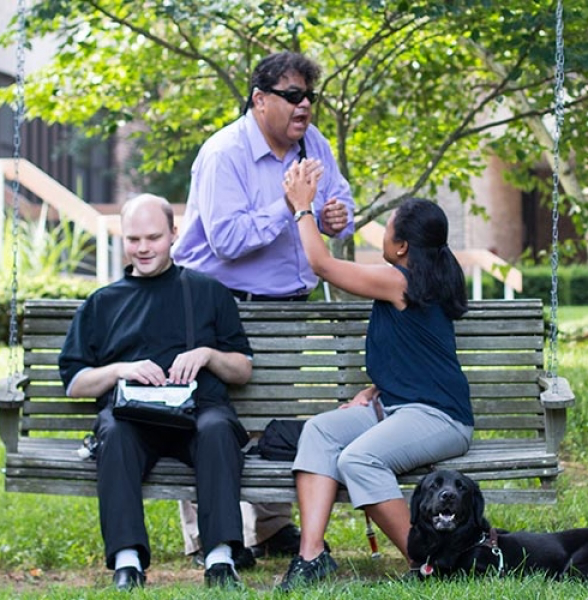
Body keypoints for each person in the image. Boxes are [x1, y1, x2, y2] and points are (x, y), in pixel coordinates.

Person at [171, 51, 355, 560]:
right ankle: (208, 533)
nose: (304, 107)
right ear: (259, 100)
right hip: (218, 302)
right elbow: (227, 240)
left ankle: (271, 528)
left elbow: (339, 200)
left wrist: (338, 217)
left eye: (310, 97)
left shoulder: (312, 145)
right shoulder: (223, 153)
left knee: (272, 416)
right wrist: (293, 205)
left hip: (288, 304)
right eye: (292, 96)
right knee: (210, 414)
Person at [278, 160, 474, 590]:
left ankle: (428, 564)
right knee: (320, 432)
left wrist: (302, 207)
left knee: (358, 459)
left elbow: (323, 266)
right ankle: (311, 556)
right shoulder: (424, 277)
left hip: (441, 418)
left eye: (387, 228)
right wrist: (374, 389)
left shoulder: (399, 281)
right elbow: (418, 355)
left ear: (402, 246)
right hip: (401, 407)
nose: (382, 234)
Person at [58, 194, 253, 590]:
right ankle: (127, 563)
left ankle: (219, 559)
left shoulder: (208, 292)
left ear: (173, 235)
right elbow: (76, 383)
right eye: (133, 239)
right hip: (133, 418)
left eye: (153, 237)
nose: (143, 248)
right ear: (123, 239)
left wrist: (207, 355)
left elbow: (243, 369)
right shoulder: (101, 303)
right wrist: (119, 370)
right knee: (112, 432)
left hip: (199, 412)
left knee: (217, 429)